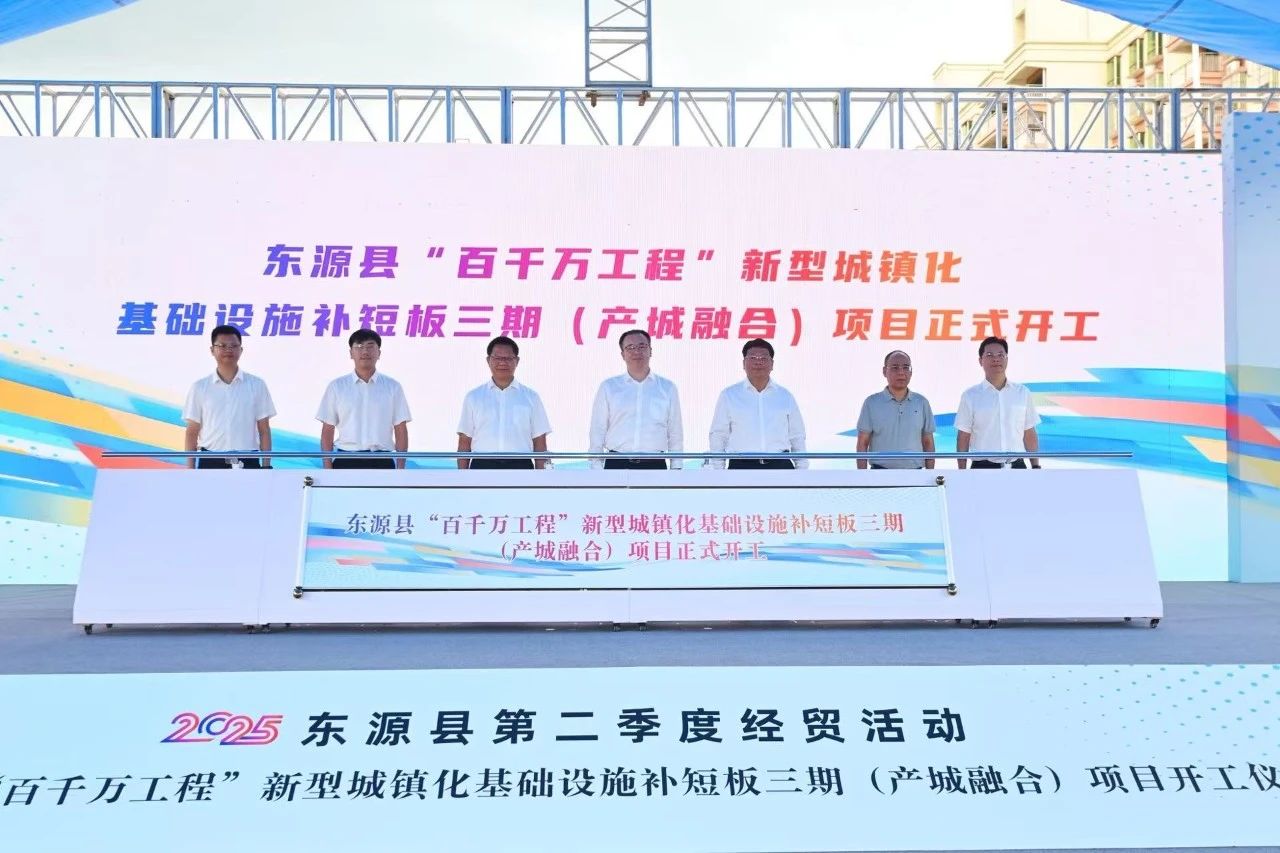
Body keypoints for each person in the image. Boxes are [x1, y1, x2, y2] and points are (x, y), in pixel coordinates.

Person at [588, 329, 683, 470]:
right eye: (630, 347)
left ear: (650, 351)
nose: (637, 351)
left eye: (642, 346)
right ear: (622, 354)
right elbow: (598, 429)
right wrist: (596, 466)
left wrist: (676, 467)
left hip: (655, 464)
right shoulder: (609, 387)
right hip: (616, 463)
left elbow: (675, 432)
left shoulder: (667, 388)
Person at [182, 325, 276, 469]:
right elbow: (192, 432)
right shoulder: (199, 387)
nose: (228, 350)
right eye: (222, 346)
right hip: (210, 462)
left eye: (233, 346)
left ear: (241, 350)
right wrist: (190, 469)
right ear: (212, 350)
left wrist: (266, 466)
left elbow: (264, 430)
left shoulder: (257, 385)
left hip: (248, 461)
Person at [316, 329, 411, 469]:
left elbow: (400, 429)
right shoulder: (337, 387)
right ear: (351, 353)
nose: (365, 351)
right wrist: (328, 468)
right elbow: (327, 430)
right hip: (346, 460)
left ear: (379, 353)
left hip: (382, 461)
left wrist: (400, 468)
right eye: (359, 346)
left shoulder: (393, 387)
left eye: (370, 346)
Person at [708, 339, 807, 470]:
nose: (758, 362)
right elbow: (719, 435)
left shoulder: (785, 396)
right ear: (744, 363)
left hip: (780, 465)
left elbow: (797, 436)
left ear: (772, 364)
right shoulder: (729, 395)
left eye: (764, 358)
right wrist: (718, 470)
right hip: (741, 466)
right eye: (753, 357)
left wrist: (802, 470)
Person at [457, 336, 551, 470]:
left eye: (508, 358)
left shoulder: (531, 398)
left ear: (517, 361)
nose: (502, 362)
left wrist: (541, 477)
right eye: (497, 358)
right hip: (482, 466)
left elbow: (539, 442)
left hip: (520, 466)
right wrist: (462, 476)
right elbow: (465, 442)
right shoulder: (473, 397)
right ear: (488, 360)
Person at [955, 336, 1041, 469]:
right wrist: (962, 472)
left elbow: (1029, 432)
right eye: (989, 355)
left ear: (1007, 359)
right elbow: (963, 436)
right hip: (982, 467)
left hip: (1017, 466)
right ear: (980, 361)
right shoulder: (970, 396)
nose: (996, 359)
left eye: (1001, 355)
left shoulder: (1022, 393)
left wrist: (1035, 466)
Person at [855, 350, 936, 470]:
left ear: (911, 372)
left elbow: (928, 442)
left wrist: (930, 474)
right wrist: (863, 476)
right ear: (884, 371)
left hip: (915, 474)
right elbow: (863, 442)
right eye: (895, 368)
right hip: (880, 472)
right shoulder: (872, 403)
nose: (901, 372)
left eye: (906, 367)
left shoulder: (921, 402)